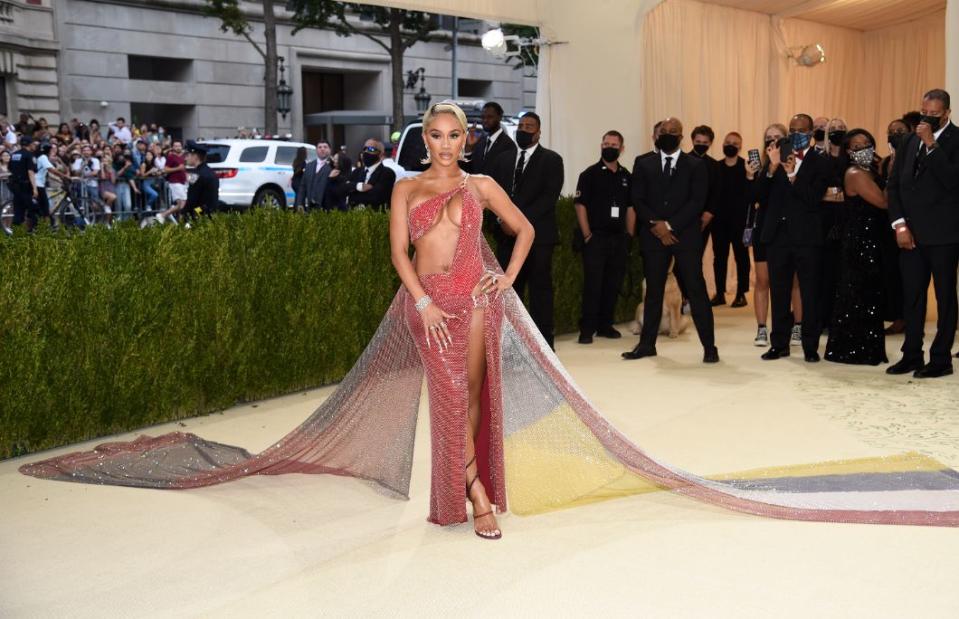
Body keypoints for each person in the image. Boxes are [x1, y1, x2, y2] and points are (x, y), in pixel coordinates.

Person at [23, 101, 959, 537]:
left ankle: (471, 488)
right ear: (417, 140)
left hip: (473, 296)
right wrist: (423, 293)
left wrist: (499, 282)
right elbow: (396, 252)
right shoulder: (403, 190)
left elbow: (523, 235)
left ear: (467, 141)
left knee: (474, 392)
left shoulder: (479, 182)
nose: (444, 145)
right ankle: (466, 496)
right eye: (432, 134)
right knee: (443, 389)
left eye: (453, 135)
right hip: (428, 302)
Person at [623, 117, 718, 363]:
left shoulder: (696, 165)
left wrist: (670, 225)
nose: (668, 134)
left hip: (685, 236)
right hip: (654, 236)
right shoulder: (643, 164)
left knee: (696, 290)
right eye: (663, 131)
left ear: (681, 136)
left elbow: (697, 201)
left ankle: (710, 347)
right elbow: (637, 199)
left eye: (673, 131)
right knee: (653, 292)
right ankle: (647, 345)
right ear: (656, 136)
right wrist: (657, 226)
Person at [886, 89, 959, 378]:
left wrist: (932, 146)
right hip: (910, 234)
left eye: (933, 113)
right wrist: (900, 225)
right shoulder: (907, 140)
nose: (926, 117)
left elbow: (953, 182)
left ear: (947, 114)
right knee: (912, 296)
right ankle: (912, 354)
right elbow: (895, 186)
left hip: (945, 235)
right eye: (923, 110)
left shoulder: (955, 141)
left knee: (944, 298)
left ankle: (941, 359)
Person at [756, 113, 832, 363]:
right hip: (778, 237)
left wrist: (792, 176)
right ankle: (779, 344)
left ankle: (810, 346)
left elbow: (813, 198)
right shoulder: (777, 158)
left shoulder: (820, 162)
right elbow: (761, 197)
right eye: (792, 129)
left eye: (801, 130)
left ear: (811, 134)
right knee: (779, 292)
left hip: (807, 238)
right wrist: (772, 168)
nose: (796, 134)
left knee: (809, 292)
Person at [490, 111, 564, 349]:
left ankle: (544, 345)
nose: (523, 129)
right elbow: (492, 195)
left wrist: (518, 224)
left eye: (529, 126)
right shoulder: (503, 159)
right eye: (521, 125)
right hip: (506, 238)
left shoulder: (552, 160)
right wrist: (504, 221)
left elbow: (548, 198)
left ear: (539, 132)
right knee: (509, 293)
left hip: (539, 238)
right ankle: (509, 345)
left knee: (541, 291)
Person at [824, 129, 889, 365]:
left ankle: (864, 347)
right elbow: (883, 202)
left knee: (867, 293)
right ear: (849, 151)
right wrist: (894, 176)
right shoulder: (855, 174)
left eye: (867, 144)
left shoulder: (868, 171)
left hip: (869, 239)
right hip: (859, 241)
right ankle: (855, 349)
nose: (863, 149)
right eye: (857, 146)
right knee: (859, 293)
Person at [574, 130, 631, 344]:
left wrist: (629, 235)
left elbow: (631, 207)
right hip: (595, 239)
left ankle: (605, 325)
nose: (609, 147)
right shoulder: (589, 174)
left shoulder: (626, 176)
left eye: (614, 144)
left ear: (621, 149)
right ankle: (587, 329)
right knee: (593, 285)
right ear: (601, 145)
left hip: (619, 239)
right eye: (606, 143)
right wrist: (587, 234)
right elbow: (580, 206)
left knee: (612, 283)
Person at [712, 131, 751, 308]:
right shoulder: (716, 167)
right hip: (718, 221)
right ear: (722, 144)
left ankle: (741, 294)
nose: (731, 145)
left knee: (741, 257)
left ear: (740, 147)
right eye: (728, 142)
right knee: (719, 257)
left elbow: (753, 193)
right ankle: (720, 293)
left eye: (735, 143)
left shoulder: (748, 166)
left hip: (741, 222)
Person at [878, 119, 910, 335]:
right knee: (891, 273)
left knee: (909, 275)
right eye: (891, 132)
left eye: (900, 131)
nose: (895, 135)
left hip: (911, 223)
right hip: (887, 224)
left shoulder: (914, 157)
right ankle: (898, 316)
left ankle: (909, 318)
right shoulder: (885, 161)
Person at [818, 117, 849, 334]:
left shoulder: (852, 157)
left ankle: (844, 319)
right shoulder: (821, 158)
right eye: (833, 129)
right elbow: (816, 190)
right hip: (825, 221)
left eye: (841, 129)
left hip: (849, 219)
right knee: (826, 273)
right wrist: (833, 194)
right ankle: (825, 319)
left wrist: (838, 194)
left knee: (845, 271)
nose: (837, 132)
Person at [347, 139, 395, 211]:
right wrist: (358, 186)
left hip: (376, 218)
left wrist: (353, 190)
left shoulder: (387, 173)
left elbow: (376, 197)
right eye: (364, 149)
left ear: (381, 154)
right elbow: (344, 189)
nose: (366, 152)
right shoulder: (356, 172)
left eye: (371, 149)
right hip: (355, 217)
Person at [181, 140, 219, 220]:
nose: (185, 158)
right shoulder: (211, 172)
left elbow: (192, 197)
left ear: (195, 156)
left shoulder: (195, 174)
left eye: (188, 155)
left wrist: (184, 212)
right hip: (210, 213)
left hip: (198, 214)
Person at [8, 136, 39, 232]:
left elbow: (10, 168)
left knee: (18, 210)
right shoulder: (29, 155)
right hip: (26, 186)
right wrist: (35, 188)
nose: (34, 146)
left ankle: (15, 233)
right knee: (33, 209)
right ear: (29, 144)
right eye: (33, 144)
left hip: (15, 186)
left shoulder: (14, 155)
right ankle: (32, 231)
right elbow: (31, 172)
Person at [295, 141, 334, 211]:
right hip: (311, 208)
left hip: (327, 208)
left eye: (325, 147)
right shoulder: (309, 166)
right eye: (320, 147)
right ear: (316, 150)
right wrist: (300, 203)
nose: (322, 149)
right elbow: (303, 186)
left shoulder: (333, 166)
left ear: (330, 150)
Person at [157, 141, 188, 222]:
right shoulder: (171, 157)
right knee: (181, 204)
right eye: (176, 146)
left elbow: (184, 169)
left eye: (179, 146)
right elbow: (165, 169)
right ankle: (163, 215)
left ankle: (172, 214)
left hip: (183, 183)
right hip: (175, 182)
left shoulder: (183, 157)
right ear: (173, 147)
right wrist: (178, 168)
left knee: (183, 204)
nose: (178, 147)